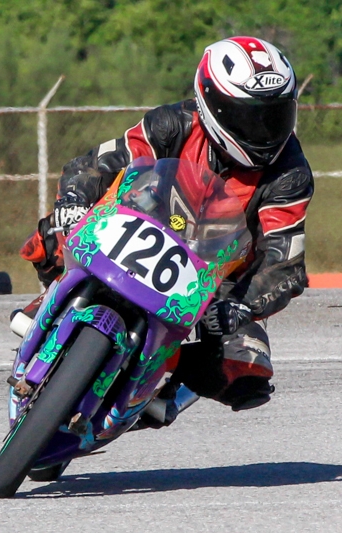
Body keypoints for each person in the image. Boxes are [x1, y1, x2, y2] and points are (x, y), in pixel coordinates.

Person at [19, 36, 314, 416]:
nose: (265, 131)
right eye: (248, 117)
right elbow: (96, 164)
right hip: (137, 230)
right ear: (211, 103)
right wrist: (73, 201)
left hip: (217, 278)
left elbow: (285, 260)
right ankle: (57, 295)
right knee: (50, 234)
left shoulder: (290, 173)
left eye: (276, 116)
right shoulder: (172, 124)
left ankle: (166, 395)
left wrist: (243, 304)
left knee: (248, 371)